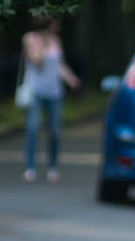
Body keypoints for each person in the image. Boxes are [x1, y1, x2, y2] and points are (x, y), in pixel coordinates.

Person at [20, 16, 81, 183]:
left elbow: (59, 64)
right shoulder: (30, 39)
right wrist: (43, 43)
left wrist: (71, 79)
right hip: (35, 90)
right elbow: (37, 61)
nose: (58, 26)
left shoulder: (56, 40)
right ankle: (30, 167)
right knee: (33, 128)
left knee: (54, 131)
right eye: (54, 23)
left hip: (54, 92)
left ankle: (53, 166)